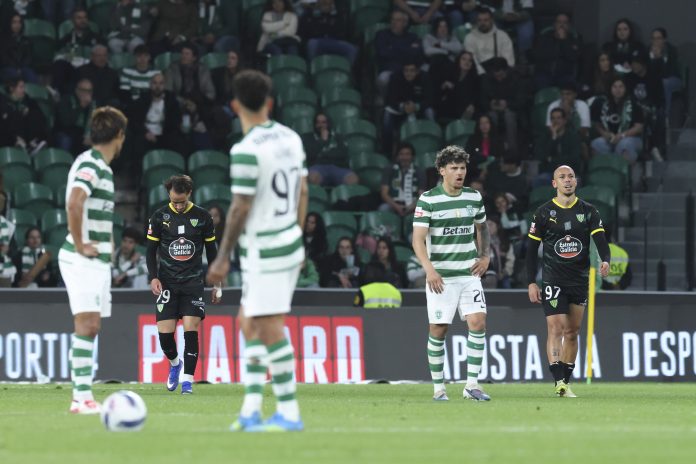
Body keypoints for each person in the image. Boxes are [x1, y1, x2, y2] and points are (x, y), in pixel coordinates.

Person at [206, 69, 308, 432]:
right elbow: (303, 191)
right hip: (285, 241)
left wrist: (222, 257)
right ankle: (250, 410)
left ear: (235, 106)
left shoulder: (246, 150)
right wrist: (296, 233)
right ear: (269, 102)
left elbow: (240, 207)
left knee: (268, 327)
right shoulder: (292, 138)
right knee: (247, 322)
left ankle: (289, 413)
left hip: (266, 249)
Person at [57, 106, 127, 414]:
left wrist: (105, 240)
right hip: (81, 259)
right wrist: (81, 244)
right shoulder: (93, 164)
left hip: (96, 260)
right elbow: (75, 203)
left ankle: (82, 395)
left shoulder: (99, 166)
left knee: (91, 325)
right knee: (86, 324)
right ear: (119, 135)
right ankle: (81, 398)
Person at [412, 145, 491, 402]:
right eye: (454, 168)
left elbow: (482, 228)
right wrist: (429, 270)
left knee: (478, 322)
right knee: (439, 329)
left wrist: (485, 256)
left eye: (463, 168)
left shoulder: (473, 197)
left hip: (469, 273)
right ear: (442, 171)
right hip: (441, 277)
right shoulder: (428, 200)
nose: (460, 172)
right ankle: (439, 388)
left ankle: (472, 385)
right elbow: (418, 239)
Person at [526, 165, 610, 397]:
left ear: (576, 181)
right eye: (562, 177)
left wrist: (605, 260)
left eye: (571, 176)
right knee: (556, 327)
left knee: (572, 332)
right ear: (554, 183)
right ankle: (558, 381)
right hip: (553, 279)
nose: (567, 180)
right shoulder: (543, 213)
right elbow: (531, 251)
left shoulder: (588, 211)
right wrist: (531, 282)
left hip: (579, 280)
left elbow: (601, 240)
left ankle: (566, 381)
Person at [146, 175, 221, 395]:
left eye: (181, 201)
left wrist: (217, 284)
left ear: (189, 193)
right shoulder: (159, 217)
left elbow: (212, 252)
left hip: (192, 283)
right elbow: (150, 251)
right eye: (174, 202)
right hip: (167, 283)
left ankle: (187, 381)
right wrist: (153, 277)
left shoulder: (203, 217)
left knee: (191, 329)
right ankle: (175, 363)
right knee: (165, 336)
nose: (178, 206)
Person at [590, 77, 644, 163]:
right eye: (614, 87)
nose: (617, 90)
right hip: (610, 138)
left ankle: (624, 171)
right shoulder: (602, 103)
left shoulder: (634, 103)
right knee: (596, 144)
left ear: (625, 88)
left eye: (621, 87)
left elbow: (639, 127)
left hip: (630, 137)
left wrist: (622, 135)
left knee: (624, 145)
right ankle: (604, 170)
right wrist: (605, 134)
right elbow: (597, 125)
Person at [304, 112, 358, 187]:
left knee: (352, 179)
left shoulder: (338, 137)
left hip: (338, 167)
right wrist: (323, 141)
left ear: (329, 123)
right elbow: (311, 155)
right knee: (312, 178)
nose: (321, 125)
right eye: (318, 122)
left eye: (324, 122)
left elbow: (342, 154)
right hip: (318, 167)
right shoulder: (308, 138)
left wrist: (323, 154)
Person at [533, 13, 581, 89]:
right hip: (544, 74)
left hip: (565, 75)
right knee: (540, 86)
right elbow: (538, 55)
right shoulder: (544, 37)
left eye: (565, 22)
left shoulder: (574, 39)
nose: (562, 25)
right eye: (559, 22)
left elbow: (573, 57)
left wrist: (563, 40)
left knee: (570, 87)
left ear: (569, 25)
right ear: (554, 24)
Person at [0, 77, 48, 152]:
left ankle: (33, 144)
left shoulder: (27, 100)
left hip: (26, 132)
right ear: (12, 88)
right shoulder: (3, 101)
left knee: (34, 114)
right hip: (10, 135)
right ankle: (19, 142)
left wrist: (28, 111)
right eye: (21, 87)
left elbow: (40, 116)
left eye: (24, 87)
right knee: (13, 116)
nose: (23, 90)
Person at [380, 142, 426, 218]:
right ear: (397, 156)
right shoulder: (389, 170)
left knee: (423, 211)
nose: (404, 157)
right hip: (393, 204)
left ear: (412, 156)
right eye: (401, 154)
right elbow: (384, 194)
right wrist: (396, 206)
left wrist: (411, 207)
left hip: (413, 206)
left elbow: (422, 195)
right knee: (384, 208)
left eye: (407, 154)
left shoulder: (419, 171)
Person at [463, 7, 514, 75]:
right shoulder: (469, 37)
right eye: (479, 20)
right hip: (478, 75)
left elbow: (509, 61)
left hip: (500, 74)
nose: (482, 23)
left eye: (486, 20)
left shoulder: (503, 36)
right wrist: (483, 75)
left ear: (492, 20)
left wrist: (500, 73)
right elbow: (472, 61)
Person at [465, 114, 506, 180]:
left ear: (490, 124)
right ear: (478, 126)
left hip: (494, 171)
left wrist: (487, 168)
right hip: (475, 172)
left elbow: (500, 158)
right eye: (481, 123)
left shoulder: (498, 140)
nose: (484, 125)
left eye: (486, 122)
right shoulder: (472, 139)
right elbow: (468, 158)